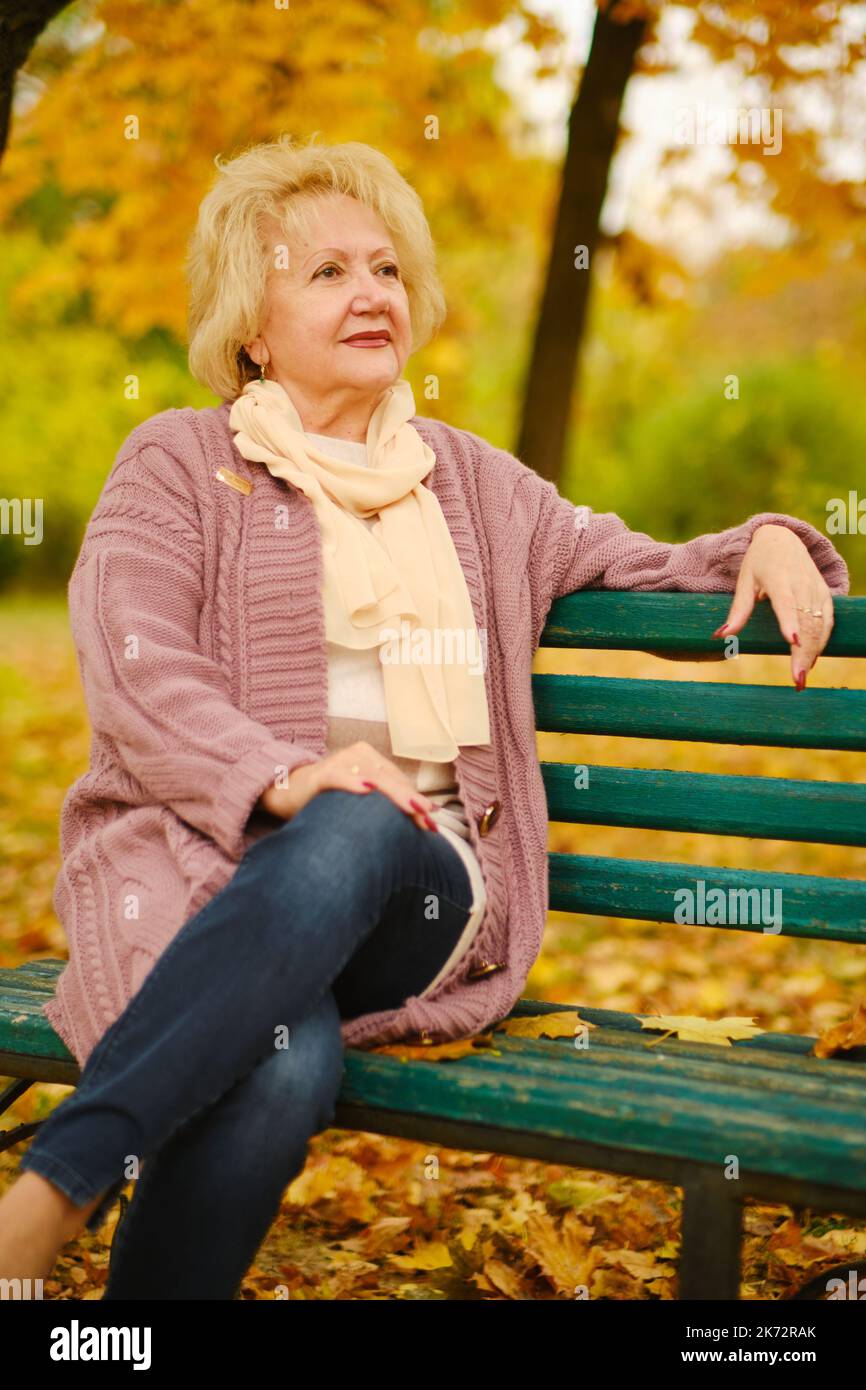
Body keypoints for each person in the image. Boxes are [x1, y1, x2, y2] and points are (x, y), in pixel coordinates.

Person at [0, 135, 849, 1299]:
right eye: (327, 272)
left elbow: (646, 570)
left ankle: (47, 1193)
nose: (371, 293)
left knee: (360, 816)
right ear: (251, 322)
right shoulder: (179, 464)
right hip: (206, 876)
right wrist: (277, 773)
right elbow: (135, 666)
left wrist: (762, 537)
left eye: (387, 270)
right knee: (279, 1073)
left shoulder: (474, 485)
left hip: (425, 894)